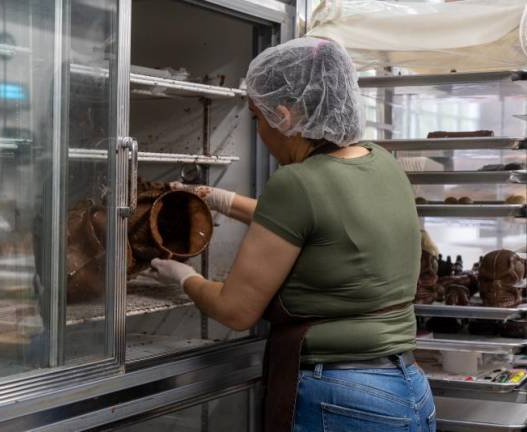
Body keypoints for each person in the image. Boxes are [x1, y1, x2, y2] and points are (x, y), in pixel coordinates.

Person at [151, 38, 435, 432]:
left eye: (256, 117)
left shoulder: (296, 184)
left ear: (283, 117)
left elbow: (237, 310)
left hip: (342, 398)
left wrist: (185, 278)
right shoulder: (381, 161)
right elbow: (319, 224)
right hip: (408, 388)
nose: (259, 130)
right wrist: (220, 199)